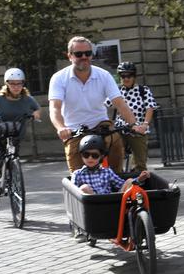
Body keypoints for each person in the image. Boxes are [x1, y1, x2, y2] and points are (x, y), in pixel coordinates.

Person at [48, 36, 146, 173]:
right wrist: (61, 128)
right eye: (78, 54)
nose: (84, 57)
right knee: (78, 175)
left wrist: (134, 125)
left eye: (88, 53)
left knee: (116, 143)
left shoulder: (103, 75)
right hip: (74, 130)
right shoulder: (59, 78)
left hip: (101, 126)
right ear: (69, 56)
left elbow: (120, 103)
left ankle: (117, 180)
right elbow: (55, 108)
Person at [0, 68, 42, 205]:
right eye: (12, 83)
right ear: (7, 84)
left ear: (23, 84)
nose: (16, 87)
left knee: (12, 165)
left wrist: (36, 114)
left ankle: (13, 195)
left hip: (15, 137)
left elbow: (38, 109)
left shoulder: (28, 100)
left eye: (19, 83)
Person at [106, 61, 158, 172]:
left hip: (138, 129)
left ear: (134, 76)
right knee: (114, 157)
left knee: (140, 163)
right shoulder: (117, 91)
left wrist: (145, 125)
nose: (126, 78)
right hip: (121, 129)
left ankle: (138, 181)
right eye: (123, 76)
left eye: (129, 75)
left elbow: (150, 107)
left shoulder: (143, 90)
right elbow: (105, 105)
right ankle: (117, 178)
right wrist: (108, 124)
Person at [71, 134, 149, 195]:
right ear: (81, 156)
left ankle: (125, 210)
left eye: (95, 155)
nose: (90, 158)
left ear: (101, 156)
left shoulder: (107, 172)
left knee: (129, 181)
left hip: (110, 204)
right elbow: (72, 194)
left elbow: (121, 184)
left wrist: (139, 179)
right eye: (86, 155)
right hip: (91, 207)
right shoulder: (78, 174)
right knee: (84, 188)